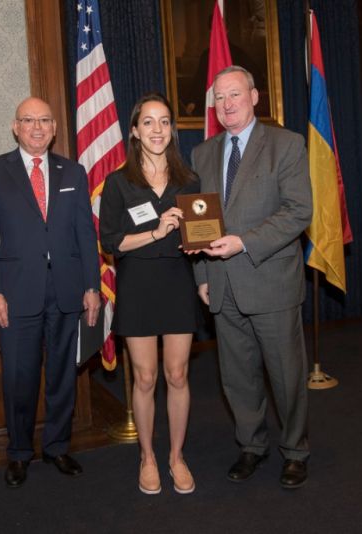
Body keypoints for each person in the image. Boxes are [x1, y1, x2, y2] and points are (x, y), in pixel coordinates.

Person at [189, 65, 313, 489]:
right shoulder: (202, 154)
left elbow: (298, 211)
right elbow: (199, 221)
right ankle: (251, 445)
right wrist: (202, 275)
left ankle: (295, 451)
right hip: (222, 287)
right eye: (219, 98)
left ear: (255, 96)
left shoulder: (286, 144)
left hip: (271, 282)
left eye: (235, 94)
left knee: (287, 376)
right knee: (237, 377)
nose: (227, 105)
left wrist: (244, 242)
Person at [0, 97, 101, 489]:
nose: (37, 127)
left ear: (54, 128)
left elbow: (85, 233)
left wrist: (92, 286)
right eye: (28, 120)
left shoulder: (73, 172)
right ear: (16, 127)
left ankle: (57, 446)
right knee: (19, 377)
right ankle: (18, 452)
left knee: (63, 375)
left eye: (45, 120)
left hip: (67, 290)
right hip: (16, 295)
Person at [99, 93, 201, 495]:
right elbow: (111, 242)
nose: (157, 129)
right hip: (138, 286)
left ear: (172, 130)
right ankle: (147, 457)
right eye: (148, 122)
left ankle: (176, 456)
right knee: (144, 377)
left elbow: (202, 233)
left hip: (177, 283)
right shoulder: (118, 182)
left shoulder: (189, 181)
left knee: (177, 374)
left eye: (164, 122)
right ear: (134, 131)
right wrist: (156, 232)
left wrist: (200, 243)